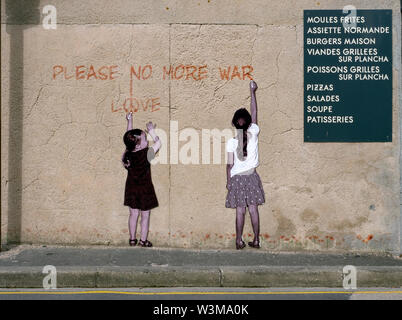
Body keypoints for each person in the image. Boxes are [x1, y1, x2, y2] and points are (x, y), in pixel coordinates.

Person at [225, 80, 265, 249]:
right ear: (249, 123)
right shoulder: (254, 133)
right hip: (251, 177)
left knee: (240, 211)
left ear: (234, 123)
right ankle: (256, 240)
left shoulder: (231, 142)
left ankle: (238, 240)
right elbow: (254, 111)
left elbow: (229, 165)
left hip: (237, 179)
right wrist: (252, 91)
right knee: (253, 210)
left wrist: (228, 181)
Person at [122, 112, 161, 247]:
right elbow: (158, 143)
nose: (147, 141)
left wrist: (130, 121)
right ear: (138, 145)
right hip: (145, 189)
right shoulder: (147, 154)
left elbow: (129, 136)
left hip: (131, 188)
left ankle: (132, 239)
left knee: (133, 214)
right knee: (145, 216)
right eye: (145, 139)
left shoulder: (127, 154)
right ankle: (143, 241)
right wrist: (152, 131)